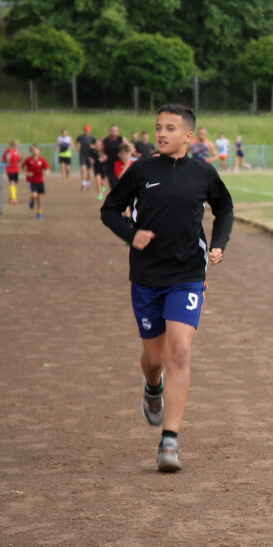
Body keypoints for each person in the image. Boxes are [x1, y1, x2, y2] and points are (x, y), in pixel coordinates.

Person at [100, 104, 234, 473]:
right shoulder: (142, 170)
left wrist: (219, 242)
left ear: (189, 136)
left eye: (170, 128)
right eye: (158, 127)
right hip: (146, 277)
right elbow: (110, 209)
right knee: (156, 360)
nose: (161, 133)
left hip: (188, 275)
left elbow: (225, 209)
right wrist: (132, 234)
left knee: (180, 353)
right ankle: (152, 385)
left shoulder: (204, 173)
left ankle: (169, 441)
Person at [23, 144, 49, 220]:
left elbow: (47, 168)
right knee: (34, 195)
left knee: (39, 198)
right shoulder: (28, 160)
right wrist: (27, 173)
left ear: (39, 151)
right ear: (31, 151)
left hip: (40, 180)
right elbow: (23, 168)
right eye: (33, 150)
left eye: (36, 150)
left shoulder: (42, 160)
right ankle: (31, 200)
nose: (35, 151)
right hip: (31, 181)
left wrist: (46, 172)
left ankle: (39, 212)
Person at [101, 124, 124, 192]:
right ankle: (116, 200)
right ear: (109, 131)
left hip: (120, 165)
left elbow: (129, 148)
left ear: (118, 132)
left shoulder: (121, 140)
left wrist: (125, 156)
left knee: (121, 184)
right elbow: (102, 152)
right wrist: (103, 156)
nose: (114, 132)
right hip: (110, 166)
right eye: (112, 131)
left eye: (115, 131)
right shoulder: (105, 141)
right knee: (113, 185)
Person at [76, 125, 96, 192]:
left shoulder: (92, 138)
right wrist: (77, 148)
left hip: (89, 156)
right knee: (83, 169)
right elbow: (76, 142)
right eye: (85, 130)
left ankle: (87, 183)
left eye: (88, 130)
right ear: (84, 131)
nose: (87, 131)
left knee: (88, 172)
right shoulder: (81, 137)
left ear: (90, 131)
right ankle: (83, 184)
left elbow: (95, 145)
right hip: (82, 156)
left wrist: (93, 146)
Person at [2, 138, 21, 204]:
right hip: (10, 169)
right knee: (12, 182)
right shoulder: (8, 151)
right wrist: (7, 159)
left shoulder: (16, 151)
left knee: (15, 183)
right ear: (13, 144)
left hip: (16, 169)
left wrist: (21, 158)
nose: (17, 145)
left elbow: (18, 160)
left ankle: (12, 197)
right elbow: (3, 160)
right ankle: (13, 199)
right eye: (16, 144)